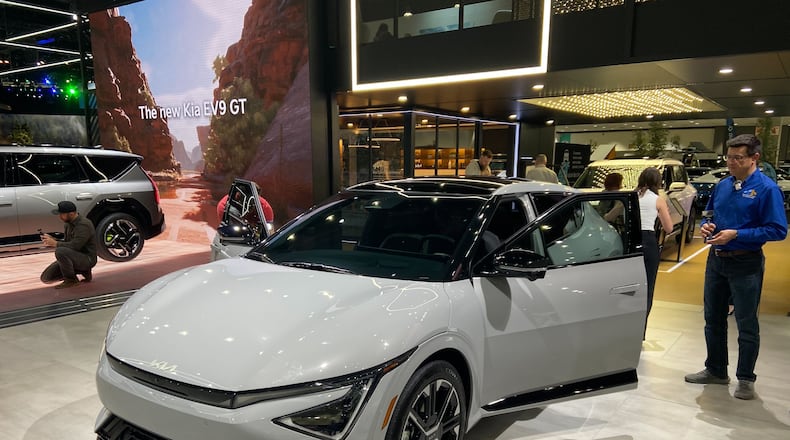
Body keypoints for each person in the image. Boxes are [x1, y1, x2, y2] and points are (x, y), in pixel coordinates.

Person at [684, 134, 787, 400]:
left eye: (737, 158)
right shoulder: (723, 186)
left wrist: (737, 234)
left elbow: (777, 230)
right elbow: (709, 214)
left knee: (746, 322)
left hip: (746, 262)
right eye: (728, 157)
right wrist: (707, 227)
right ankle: (716, 369)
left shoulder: (767, 189)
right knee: (713, 319)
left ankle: (745, 378)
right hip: (716, 260)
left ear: (754, 158)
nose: (731, 162)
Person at [637, 167, 673, 322]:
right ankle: (642, 324)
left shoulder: (632, 196)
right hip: (648, 241)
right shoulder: (658, 200)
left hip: (632, 240)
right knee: (648, 285)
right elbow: (669, 228)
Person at [40, 201, 98, 289]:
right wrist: (53, 239)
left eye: (61, 214)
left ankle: (71, 280)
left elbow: (76, 246)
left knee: (60, 251)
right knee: (46, 278)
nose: (60, 216)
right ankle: (82, 271)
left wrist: (55, 243)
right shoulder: (68, 224)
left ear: (71, 214)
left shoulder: (83, 225)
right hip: (75, 256)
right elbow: (68, 242)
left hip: (87, 259)